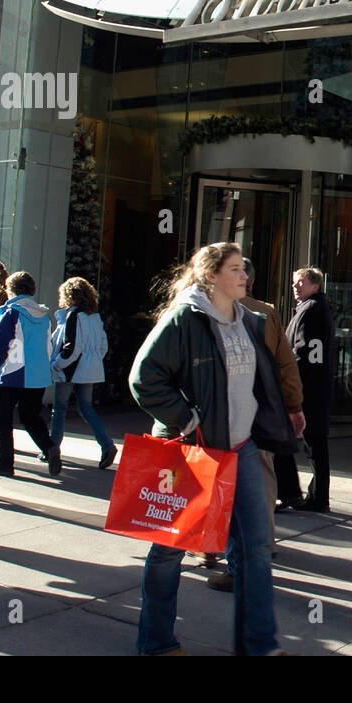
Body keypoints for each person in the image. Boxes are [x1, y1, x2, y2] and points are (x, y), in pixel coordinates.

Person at [129, 242, 293, 656]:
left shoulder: (250, 321)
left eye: (243, 270)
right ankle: (157, 642)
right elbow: (144, 378)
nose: (244, 276)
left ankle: (259, 645)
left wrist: (281, 412)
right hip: (193, 452)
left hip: (243, 449)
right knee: (169, 552)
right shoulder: (185, 319)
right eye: (235, 269)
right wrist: (187, 419)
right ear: (211, 276)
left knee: (256, 549)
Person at [206, 261, 309, 592]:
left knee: (214, 479)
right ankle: (263, 543)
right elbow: (285, 364)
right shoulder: (265, 313)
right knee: (261, 477)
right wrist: (293, 405)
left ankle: (210, 545)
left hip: (219, 413)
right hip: (257, 411)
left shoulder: (210, 309)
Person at [274, 267, 335, 512]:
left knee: (308, 442)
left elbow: (304, 353)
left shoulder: (311, 310)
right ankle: (316, 496)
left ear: (315, 286)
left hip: (306, 388)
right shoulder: (316, 308)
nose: (295, 287)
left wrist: (290, 383)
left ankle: (308, 496)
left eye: (301, 282)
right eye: (294, 283)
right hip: (314, 387)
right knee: (315, 443)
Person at [0, 271, 59, 477]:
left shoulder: (12, 313)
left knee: (1, 420)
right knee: (30, 416)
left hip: (13, 372)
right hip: (38, 375)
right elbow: (49, 346)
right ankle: (49, 447)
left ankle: (5, 464)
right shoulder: (44, 316)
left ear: (10, 291)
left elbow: (2, 346)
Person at [49, 277, 116, 469]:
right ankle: (107, 444)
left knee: (59, 409)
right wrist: (93, 361)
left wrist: (58, 364)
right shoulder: (94, 317)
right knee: (86, 407)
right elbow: (103, 345)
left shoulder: (73, 317)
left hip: (71, 369)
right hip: (90, 368)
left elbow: (72, 348)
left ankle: (52, 449)